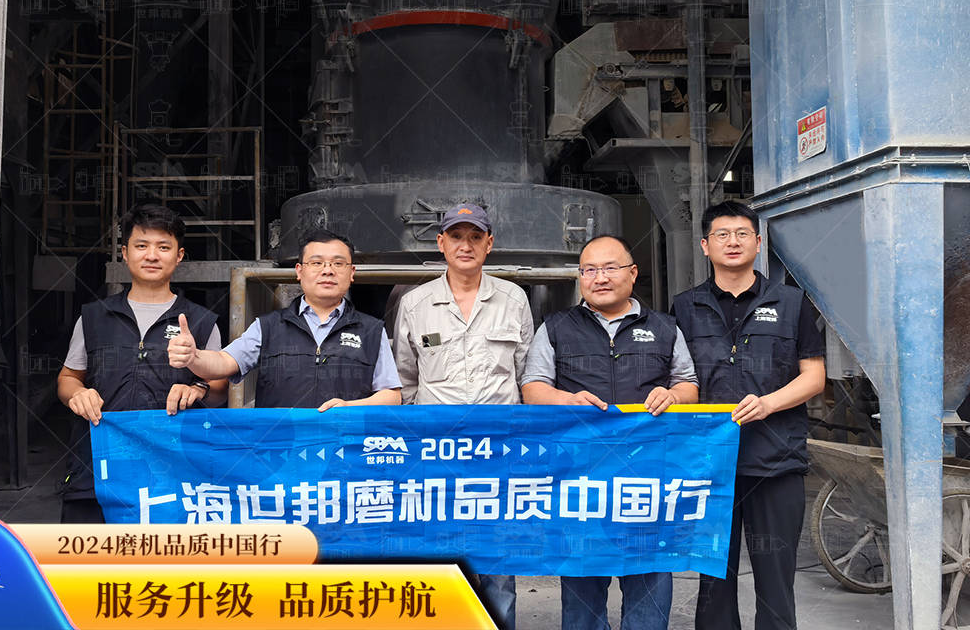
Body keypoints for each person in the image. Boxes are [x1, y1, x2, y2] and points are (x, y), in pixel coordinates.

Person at [521, 234, 698, 630]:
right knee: (582, 590)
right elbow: (532, 387)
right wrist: (566, 399)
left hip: (647, 477)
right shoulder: (556, 327)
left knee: (649, 581)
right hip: (579, 478)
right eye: (589, 270)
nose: (599, 278)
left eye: (610, 268)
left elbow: (688, 384)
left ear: (632, 274)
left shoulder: (665, 328)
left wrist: (672, 395)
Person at [672, 200, 825, 630]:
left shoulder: (791, 302)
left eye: (742, 234)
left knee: (776, 580)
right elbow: (677, 378)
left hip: (775, 462)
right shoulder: (684, 307)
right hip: (708, 465)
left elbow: (814, 377)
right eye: (721, 234)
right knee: (713, 581)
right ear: (705, 246)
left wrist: (769, 403)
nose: (732, 242)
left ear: (758, 243)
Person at [393, 203, 534, 630]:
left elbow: (526, 377)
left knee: (496, 560)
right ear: (441, 243)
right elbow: (405, 380)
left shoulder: (513, 299)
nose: (465, 245)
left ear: (489, 244)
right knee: (438, 554)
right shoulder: (414, 304)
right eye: (456, 236)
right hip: (437, 455)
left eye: (475, 237)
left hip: (499, 454)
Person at [57, 204, 227, 523]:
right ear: (125, 253)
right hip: (96, 470)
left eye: (163, 247)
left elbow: (220, 390)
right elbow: (68, 378)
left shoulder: (201, 323)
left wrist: (198, 390)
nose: (151, 255)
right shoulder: (93, 317)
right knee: (87, 554)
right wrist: (77, 394)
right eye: (141, 245)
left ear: (179, 255)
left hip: (174, 474)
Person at [167, 228, 401, 410]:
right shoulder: (268, 326)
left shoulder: (371, 330)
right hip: (280, 450)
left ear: (351, 273)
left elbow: (392, 395)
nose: (327, 270)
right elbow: (224, 362)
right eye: (316, 263)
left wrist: (349, 408)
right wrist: (194, 357)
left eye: (338, 263)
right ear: (299, 271)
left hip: (344, 447)